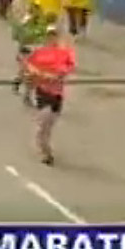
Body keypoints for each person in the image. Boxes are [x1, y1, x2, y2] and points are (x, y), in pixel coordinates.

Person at [25, 27, 76, 165]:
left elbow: (66, 69)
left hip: (56, 96)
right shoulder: (39, 53)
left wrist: (54, 75)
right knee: (42, 128)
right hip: (42, 93)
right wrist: (37, 73)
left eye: (54, 36)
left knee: (46, 127)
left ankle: (46, 151)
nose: (51, 39)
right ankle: (46, 153)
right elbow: (29, 65)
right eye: (49, 36)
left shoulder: (64, 54)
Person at [10, 3, 52, 105]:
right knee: (26, 73)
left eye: (38, 10)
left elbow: (46, 36)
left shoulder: (43, 23)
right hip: (25, 51)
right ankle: (20, 84)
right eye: (33, 10)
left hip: (37, 53)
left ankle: (26, 94)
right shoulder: (25, 23)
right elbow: (17, 35)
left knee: (32, 75)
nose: (36, 13)